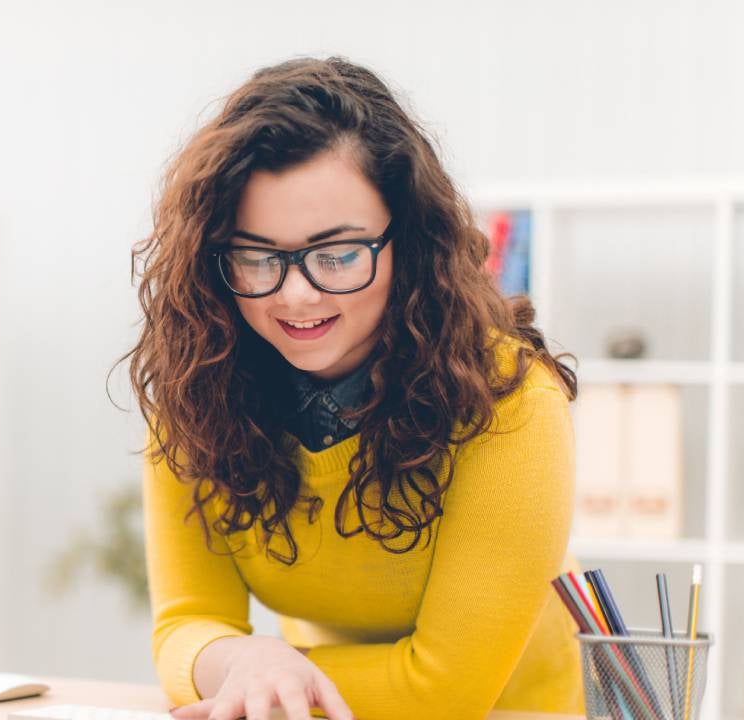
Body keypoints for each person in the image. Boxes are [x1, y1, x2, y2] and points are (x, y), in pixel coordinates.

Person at [123, 56, 582, 720]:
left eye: (337, 253)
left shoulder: (509, 401)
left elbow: (446, 690)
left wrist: (256, 677)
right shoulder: (200, 388)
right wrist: (248, 661)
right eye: (256, 256)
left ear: (409, 243)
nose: (296, 294)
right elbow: (185, 625)